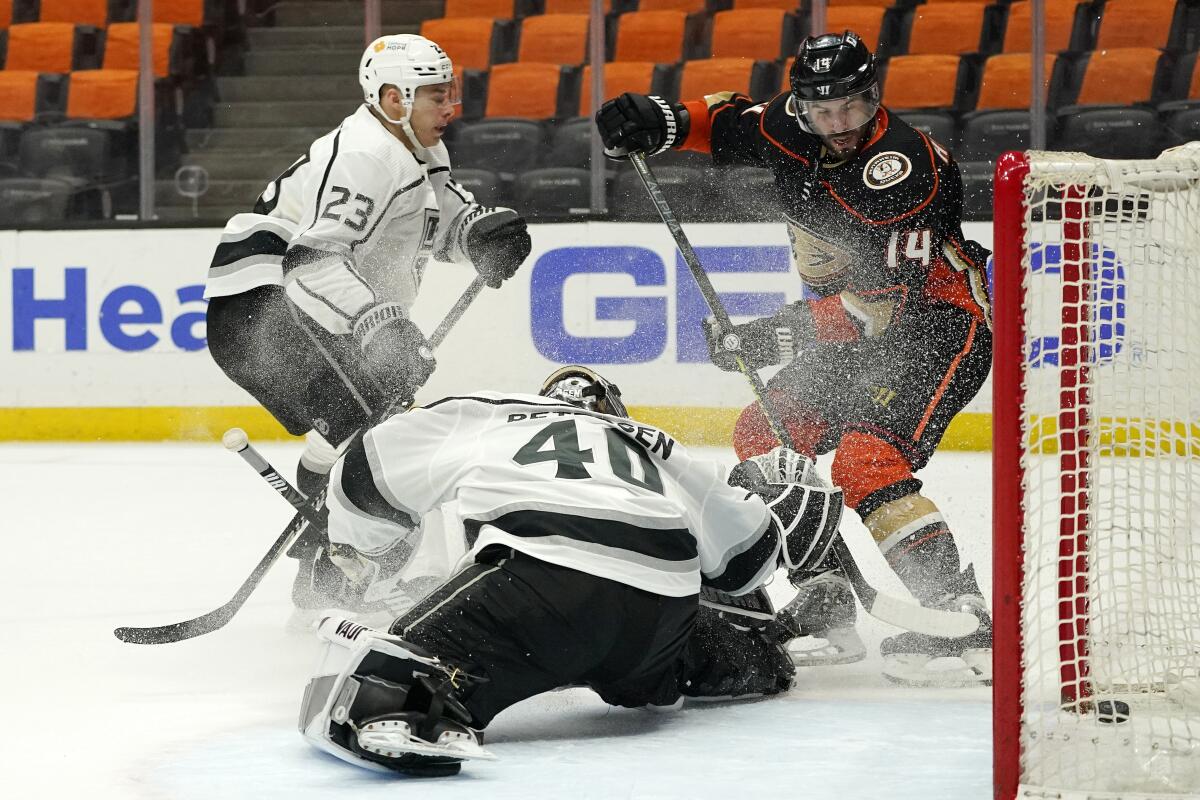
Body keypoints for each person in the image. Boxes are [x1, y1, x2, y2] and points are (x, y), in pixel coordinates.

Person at [594, 31, 993, 687]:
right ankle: (826, 600)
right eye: (823, 109)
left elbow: (881, 308)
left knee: (867, 462)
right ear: (804, 104)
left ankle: (961, 612)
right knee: (763, 437)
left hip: (939, 328)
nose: (838, 124)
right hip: (853, 334)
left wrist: (774, 335)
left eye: (853, 108)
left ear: (875, 97)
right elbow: (724, 126)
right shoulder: (791, 123)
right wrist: (656, 121)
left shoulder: (904, 168)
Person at [297, 365, 842, 775]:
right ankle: (764, 654)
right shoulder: (659, 447)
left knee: (372, 684)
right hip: (657, 620)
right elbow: (745, 564)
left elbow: (363, 470)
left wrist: (364, 552)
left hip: (540, 584)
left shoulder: (488, 412)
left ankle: (413, 707)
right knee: (705, 647)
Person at [202, 34, 532, 612]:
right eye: (436, 97)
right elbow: (312, 261)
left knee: (361, 421)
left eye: (449, 94)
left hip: (296, 304)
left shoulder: (418, 148)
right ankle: (347, 576)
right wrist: (380, 326)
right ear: (393, 99)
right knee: (380, 435)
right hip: (262, 303)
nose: (450, 108)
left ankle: (325, 579)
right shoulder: (367, 156)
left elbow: (437, 224)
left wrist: (478, 235)